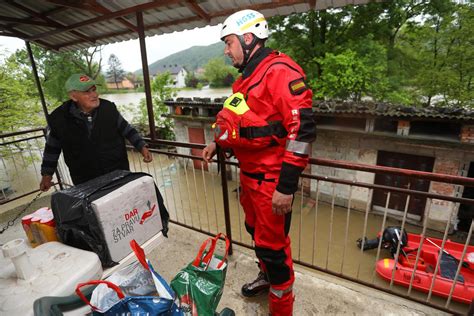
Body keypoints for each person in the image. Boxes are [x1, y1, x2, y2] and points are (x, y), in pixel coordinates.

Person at [202, 9, 316, 316]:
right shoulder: (247, 79)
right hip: (250, 179)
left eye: (228, 43)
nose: (226, 51)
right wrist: (218, 143)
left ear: (248, 38)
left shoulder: (280, 71)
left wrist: (287, 187)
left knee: (274, 250)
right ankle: (266, 278)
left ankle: (281, 307)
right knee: (255, 232)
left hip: (272, 182)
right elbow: (244, 126)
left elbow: (301, 131)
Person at [40, 73, 152, 191]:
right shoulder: (59, 119)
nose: (94, 95)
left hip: (117, 173)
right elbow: (52, 149)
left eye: (94, 90)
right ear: (73, 96)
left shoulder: (108, 108)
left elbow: (127, 129)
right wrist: (47, 175)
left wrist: (142, 147)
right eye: (87, 92)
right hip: (85, 180)